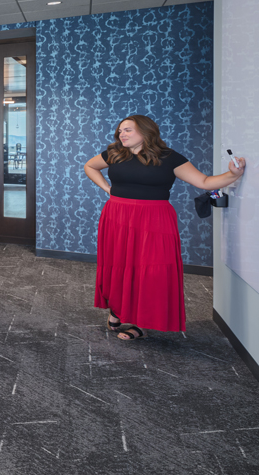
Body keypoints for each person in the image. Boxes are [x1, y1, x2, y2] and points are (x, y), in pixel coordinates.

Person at [83, 115, 245, 340]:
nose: (122, 134)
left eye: (128, 130)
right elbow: (90, 166)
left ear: (146, 131)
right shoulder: (115, 153)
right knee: (118, 264)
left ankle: (140, 323)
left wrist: (233, 175)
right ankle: (117, 310)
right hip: (117, 215)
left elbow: (205, 182)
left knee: (149, 270)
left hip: (154, 219)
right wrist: (108, 189)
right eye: (120, 131)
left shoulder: (169, 158)